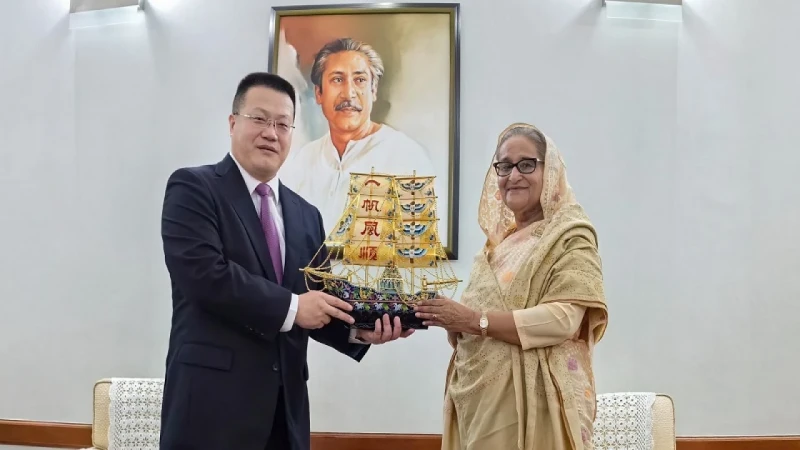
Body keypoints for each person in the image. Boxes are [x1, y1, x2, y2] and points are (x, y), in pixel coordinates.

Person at [158, 72, 412, 450]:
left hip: (284, 414)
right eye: (259, 119)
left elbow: (319, 299)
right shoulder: (193, 188)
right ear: (232, 123)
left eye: (282, 124)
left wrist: (362, 327)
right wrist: (294, 307)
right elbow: (206, 277)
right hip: (210, 411)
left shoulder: (305, 214)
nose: (270, 133)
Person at [414, 123, 609, 449]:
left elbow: (565, 319)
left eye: (527, 164)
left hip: (539, 409)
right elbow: (471, 326)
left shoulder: (570, 235)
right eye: (504, 166)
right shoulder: (493, 249)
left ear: (550, 171)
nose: (513, 175)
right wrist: (446, 319)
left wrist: (472, 320)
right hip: (480, 406)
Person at [279, 37, 438, 229]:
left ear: (374, 91)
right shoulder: (301, 162)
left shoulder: (407, 159)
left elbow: (418, 242)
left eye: (360, 80)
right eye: (337, 80)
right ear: (319, 93)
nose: (349, 93)